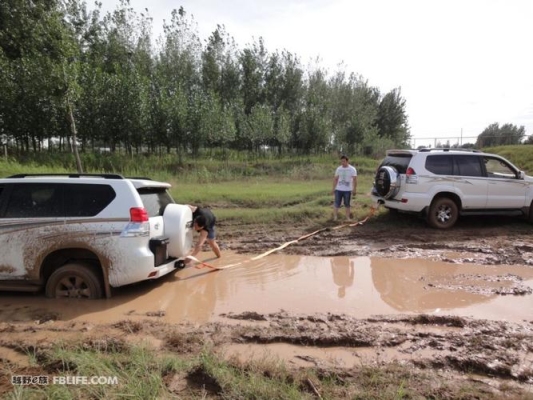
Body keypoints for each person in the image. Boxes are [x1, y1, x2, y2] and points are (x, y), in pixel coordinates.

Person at [331, 154, 357, 221]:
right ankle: (335, 217)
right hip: (338, 189)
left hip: (347, 190)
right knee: (336, 203)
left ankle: (347, 218)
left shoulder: (352, 169)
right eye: (341, 161)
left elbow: (355, 180)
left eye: (344, 161)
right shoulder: (339, 169)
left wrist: (354, 189)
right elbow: (335, 179)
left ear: (347, 161)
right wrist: (333, 189)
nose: (342, 163)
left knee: (347, 204)